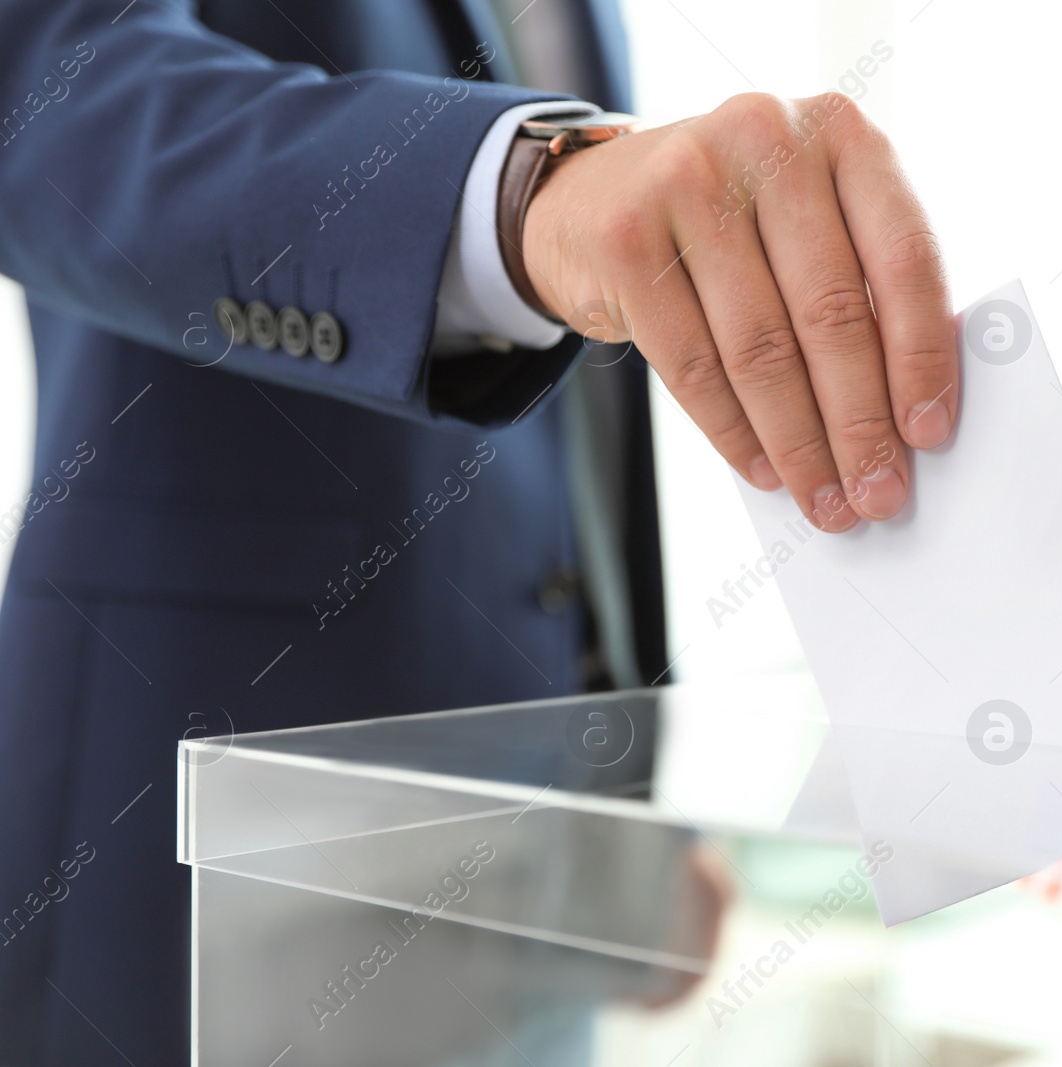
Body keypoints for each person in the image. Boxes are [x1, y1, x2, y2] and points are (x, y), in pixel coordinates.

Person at [0, 0, 958, 1062]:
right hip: (193, 848)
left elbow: (576, 413)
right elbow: (40, 92)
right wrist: (524, 193)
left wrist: (626, 804)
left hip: (536, 883)